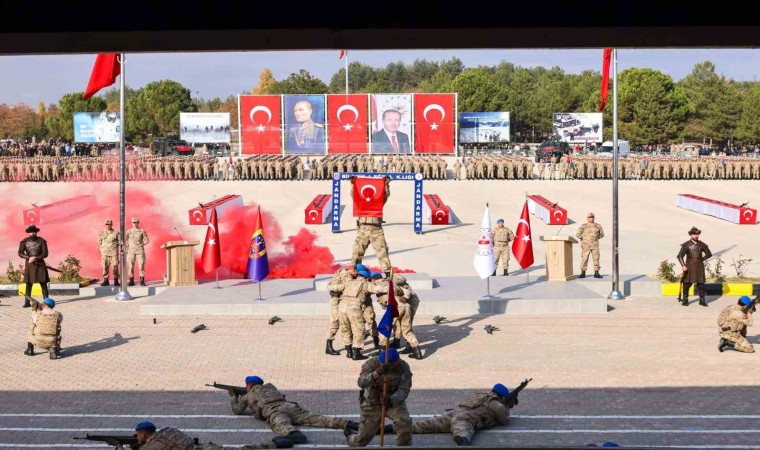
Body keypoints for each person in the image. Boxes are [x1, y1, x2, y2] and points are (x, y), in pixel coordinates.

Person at [231, 376, 355, 444]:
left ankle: (295, 435)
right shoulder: (270, 387)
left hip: (275, 411)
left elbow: (237, 410)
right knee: (316, 418)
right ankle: (348, 424)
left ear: (249, 385)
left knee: (282, 425)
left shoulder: (249, 394)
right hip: (289, 406)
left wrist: (233, 397)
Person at [397, 383, 514, 446]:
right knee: (463, 433)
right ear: (503, 396)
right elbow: (504, 421)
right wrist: (508, 406)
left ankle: (390, 428)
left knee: (423, 425)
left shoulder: (482, 395)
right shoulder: (497, 404)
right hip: (465, 419)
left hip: (454, 413)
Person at [345, 348, 413, 447]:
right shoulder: (372, 363)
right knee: (361, 441)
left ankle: (403, 447)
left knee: (404, 423)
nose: (386, 366)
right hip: (372, 403)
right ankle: (351, 437)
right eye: (382, 363)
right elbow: (361, 382)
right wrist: (376, 374)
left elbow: (404, 390)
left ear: (397, 361)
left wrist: (392, 399)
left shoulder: (403, 367)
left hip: (393, 402)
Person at [328, 266, 387, 360]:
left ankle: (349, 352)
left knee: (345, 329)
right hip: (354, 307)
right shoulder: (366, 284)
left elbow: (334, 287)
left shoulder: (348, 282)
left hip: (342, 307)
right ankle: (357, 353)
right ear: (367, 277)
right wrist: (388, 284)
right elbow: (379, 289)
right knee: (358, 329)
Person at [350, 176, 392, 278]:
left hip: (376, 230)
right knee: (357, 252)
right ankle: (355, 272)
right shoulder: (360, 201)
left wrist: (386, 184)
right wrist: (353, 184)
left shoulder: (378, 202)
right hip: (363, 228)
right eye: (366, 192)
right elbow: (354, 194)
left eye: (370, 192)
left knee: (382, 252)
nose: (368, 194)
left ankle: (388, 275)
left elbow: (385, 195)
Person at [677, 226, 712, 307]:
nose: (696, 236)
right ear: (691, 235)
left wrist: (701, 259)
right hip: (689, 266)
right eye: (694, 234)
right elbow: (680, 256)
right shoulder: (686, 245)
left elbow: (709, 254)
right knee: (686, 284)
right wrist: (683, 265)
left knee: (701, 285)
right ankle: (685, 299)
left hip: (699, 266)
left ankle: (702, 300)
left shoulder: (702, 244)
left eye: (697, 234)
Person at [326, 264, 356, 356]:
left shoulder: (342, 274)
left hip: (342, 301)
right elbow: (331, 286)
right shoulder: (344, 275)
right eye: (354, 270)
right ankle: (328, 346)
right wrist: (344, 287)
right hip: (336, 302)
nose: (355, 272)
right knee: (335, 323)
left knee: (346, 323)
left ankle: (349, 348)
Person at [18, 224, 50, 307]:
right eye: (31, 232)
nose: (33, 233)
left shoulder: (42, 241)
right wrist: (29, 258)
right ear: (28, 233)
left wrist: (35, 258)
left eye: (34, 232)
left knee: (43, 283)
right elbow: (20, 252)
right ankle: (27, 302)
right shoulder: (24, 242)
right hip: (30, 265)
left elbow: (45, 253)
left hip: (40, 264)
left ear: (36, 232)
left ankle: (47, 302)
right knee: (28, 283)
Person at [576, 212, 604, 279]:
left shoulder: (598, 226)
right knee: (584, 259)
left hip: (595, 245)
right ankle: (583, 273)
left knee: (596, 259)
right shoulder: (583, 226)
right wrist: (584, 239)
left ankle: (596, 272)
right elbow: (578, 234)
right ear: (587, 218)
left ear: (594, 218)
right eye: (589, 217)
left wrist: (596, 238)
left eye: (592, 217)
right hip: (586, 246)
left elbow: (601, 234)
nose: (591, 218)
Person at [126, 217, 150, 286]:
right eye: (133, 222)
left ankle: (142, 280)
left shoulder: (142, 231)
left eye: (136, 222)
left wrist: (141, 244)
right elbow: (124, 240)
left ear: (138, 223)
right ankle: (131, 280)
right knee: (131, 266)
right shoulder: (129, 231)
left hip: (140, 251)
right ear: (132, 223)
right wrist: (128, 245)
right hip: (131, 251)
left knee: (141, 265)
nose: (134, 224)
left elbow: (146, 240)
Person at [99, 219, 120, 286]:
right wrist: (100, 248)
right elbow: (100, 242)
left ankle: (116, 280)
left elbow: (120, 241)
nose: (108, 225)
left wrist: (115, 244)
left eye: (109, 224)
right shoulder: (102, 233)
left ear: (111, 224)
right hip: (105, 252)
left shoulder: (116, 232)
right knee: (105, 266)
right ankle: (106, 280)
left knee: (115, 266)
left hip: (113, 252)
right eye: (107, 224)